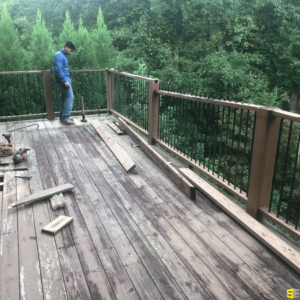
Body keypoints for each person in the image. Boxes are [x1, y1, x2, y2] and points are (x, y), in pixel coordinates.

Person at [54, 41, 76, 125]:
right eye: (71, 50)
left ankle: (62, 118)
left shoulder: (62, 55)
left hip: (65, 80)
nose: (71, 53)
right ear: (66, 47)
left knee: (64, 98)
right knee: (70, 97)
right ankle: (66, 118)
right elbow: (58, 70)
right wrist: (65, 80)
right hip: (63, 81)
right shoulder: (59, 55)